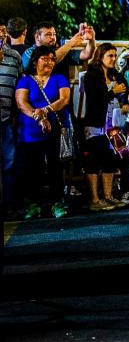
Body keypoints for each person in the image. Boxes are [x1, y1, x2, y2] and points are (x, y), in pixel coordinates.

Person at [14, 46, 72, 219]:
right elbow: (21, 103)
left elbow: (64, 99)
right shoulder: (26, 80)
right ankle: (34, 204)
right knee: (33, 168)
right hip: (31, 132)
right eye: (45, 58)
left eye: (52, 58)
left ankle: (57, 203)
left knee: (55, 166)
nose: (49, 62)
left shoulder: (59, 78)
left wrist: (45, 110)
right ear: (35, 61)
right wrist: (38, 117)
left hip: (55, 130)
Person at [78, 43, 129, 211]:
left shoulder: (116, 75)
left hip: (114, 125)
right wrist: (112, 92)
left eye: (115, 55)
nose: (113, 59)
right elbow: (94, 98)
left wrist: (125, 103)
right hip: (95, 124)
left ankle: (108, 196)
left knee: (110, 159)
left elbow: (125, 94)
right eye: (110, 55)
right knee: (93, 160)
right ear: (100, 56)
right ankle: (94, 199)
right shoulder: (91, 76)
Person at [1, 24, 24, 218]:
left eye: (3, 31)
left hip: (6, 119)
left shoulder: (14, 57)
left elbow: (20, 84)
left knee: (9, 164)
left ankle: (9, 206)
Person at [21, 21, 95, 74]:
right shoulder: (29, 52)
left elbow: (86, 54)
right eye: (48, 34)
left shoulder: (62, 51)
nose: (53, 37)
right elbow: (46, 62)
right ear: (37, 37)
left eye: (54, 34)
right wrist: (71, 43)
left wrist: (91, 39)